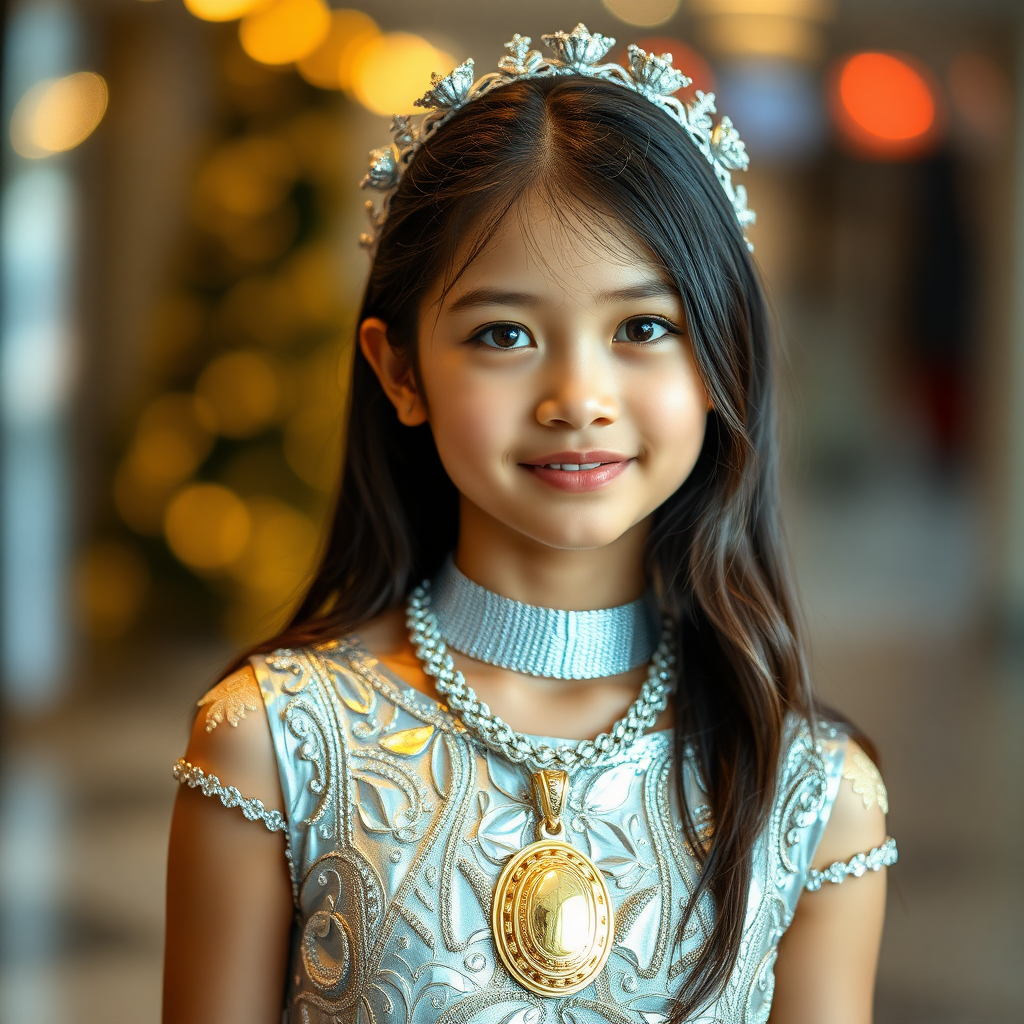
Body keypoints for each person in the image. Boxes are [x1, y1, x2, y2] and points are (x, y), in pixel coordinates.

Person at [163, 25, 897, 1024]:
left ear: (722, 351)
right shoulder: (274, 741)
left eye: (643, 328)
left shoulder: (811, 793)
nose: (576, 397)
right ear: (400, 370)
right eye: (502, 333)